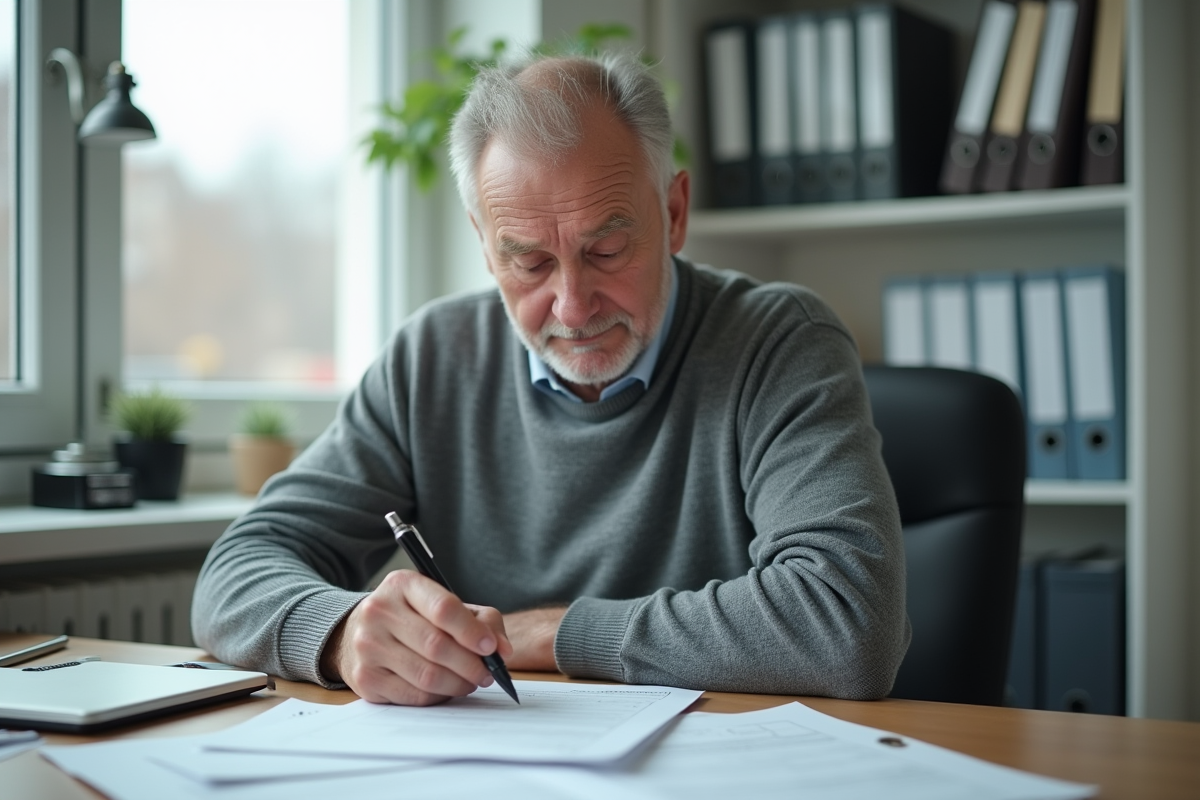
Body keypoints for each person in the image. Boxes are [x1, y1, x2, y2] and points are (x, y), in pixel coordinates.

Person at [193, 52, 909, 706]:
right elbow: (237, 571)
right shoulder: (432, 359)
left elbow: (850, 624)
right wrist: (344, 632)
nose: (572, 306)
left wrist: (548, 635)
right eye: (530, 262)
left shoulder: (779, 342)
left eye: (607, 249)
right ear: (484, 245)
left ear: (673, 213)